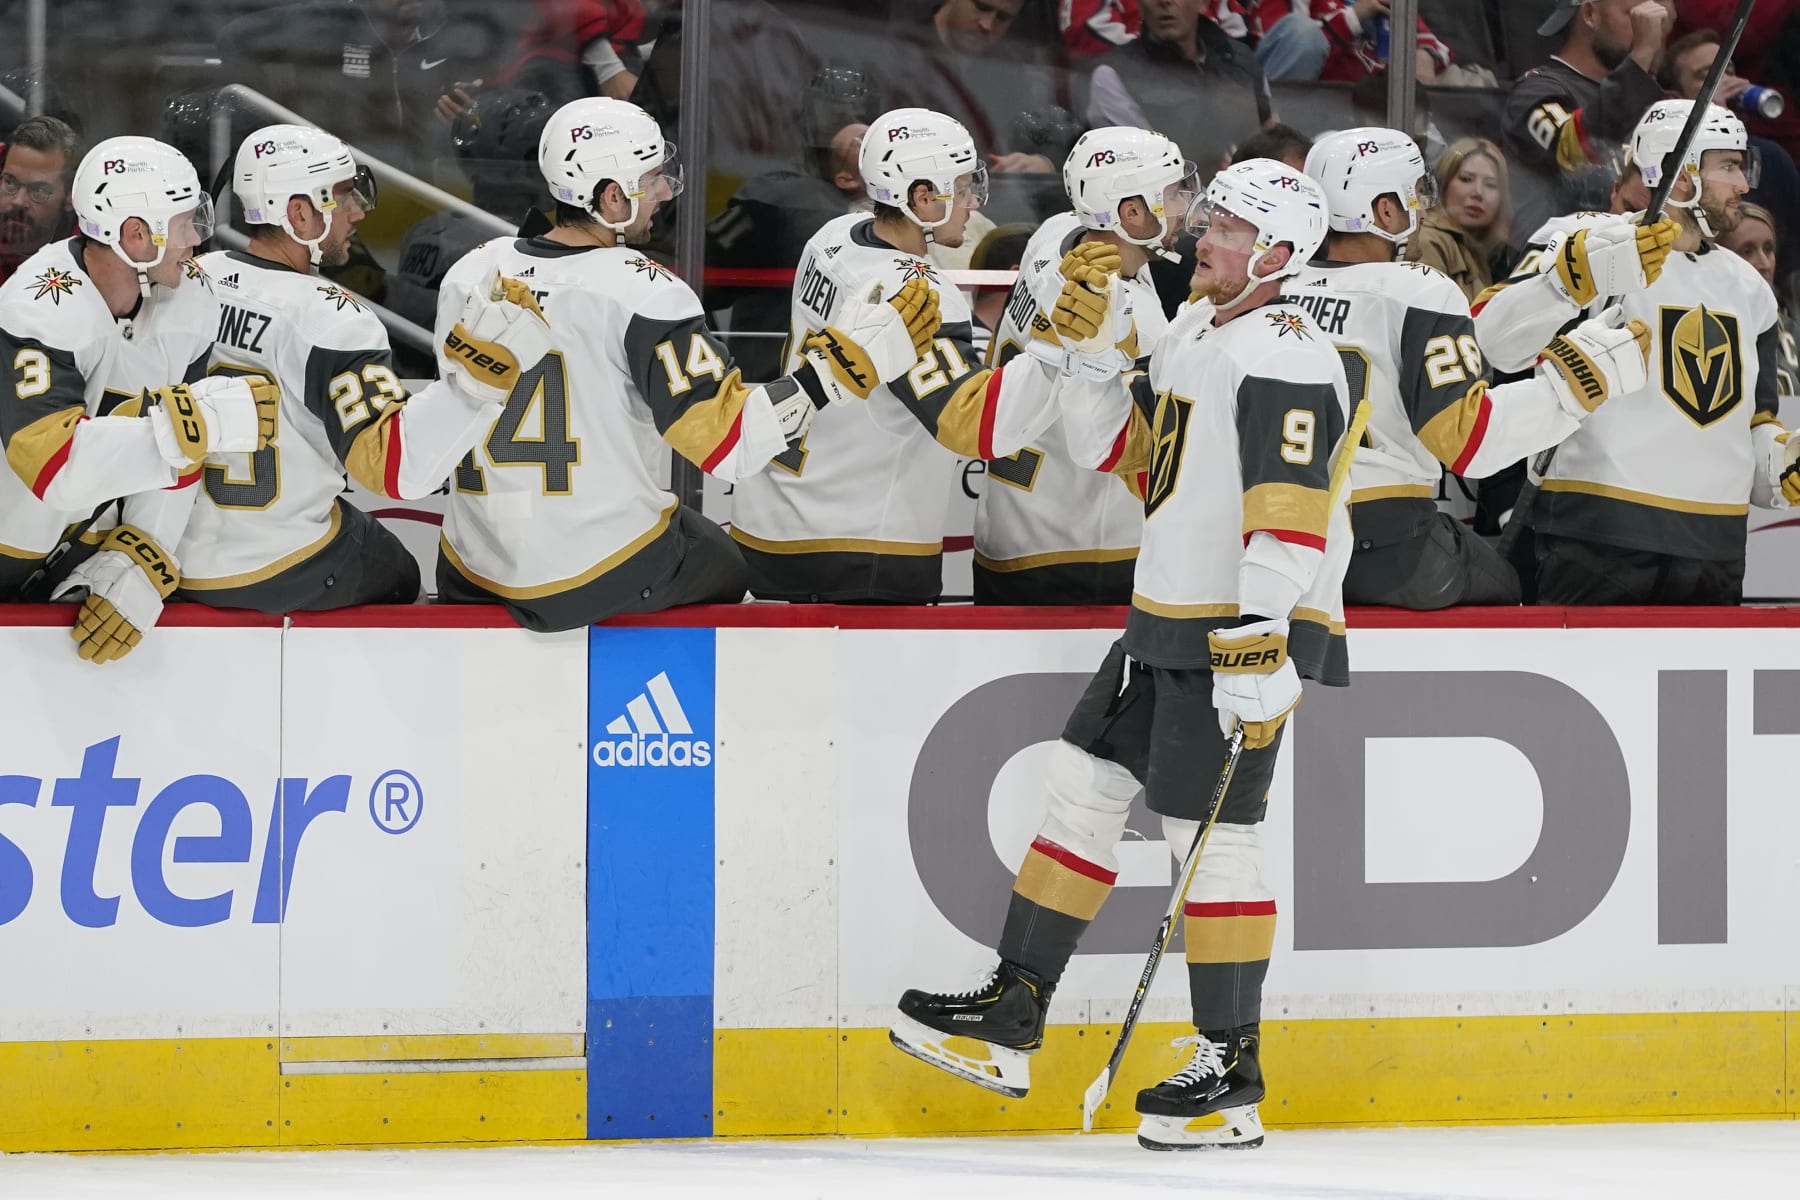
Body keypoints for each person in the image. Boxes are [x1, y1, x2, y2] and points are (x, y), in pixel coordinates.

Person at [894, 159, 1351, 1151]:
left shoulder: (1285, 354)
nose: (1204, 240)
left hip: (1232, 626)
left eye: (1226, 230)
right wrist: (1074, 340)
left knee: (1212, 840)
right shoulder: (1196, 329)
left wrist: (1259, 640)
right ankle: (1016, 1004)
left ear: (1276, 255)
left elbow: (1292, 516)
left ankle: (1231, 1068)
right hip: (1164, 616)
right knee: (1083, 783)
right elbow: (1128, 453)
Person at [433, 98, 942, 630]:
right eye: (652, 177)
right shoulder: (645, 291)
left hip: (472, 567)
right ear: (612, 197)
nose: (663, 192)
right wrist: (832, 373)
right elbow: (731, 446)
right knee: (718, 559)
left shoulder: (472, 270)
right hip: (589, 572)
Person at [177, 124, 552, 613]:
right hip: (273, 564)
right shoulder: (334, 317)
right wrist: (478, 377)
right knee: (402, 575)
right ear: (298, 214)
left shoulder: (187, 281)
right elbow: (399, 471)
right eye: (342, 197)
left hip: (176, 553)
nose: (357, 212)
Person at [727, 107, 1091, 603]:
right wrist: (1057, 343)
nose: (971, 202)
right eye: (961, 189)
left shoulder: (831, 238)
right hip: (860, 544)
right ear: (923, 198)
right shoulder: (920, 293)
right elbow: (975, 427)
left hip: (771, 517)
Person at [1299, 127, 1659, 610]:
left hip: (1277, 536)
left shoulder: (1272, 288)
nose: (1422, 210)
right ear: (1384, 211)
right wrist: (1572, 385)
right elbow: (1469, 442)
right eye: (1413, 197)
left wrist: (1558, 287)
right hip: (1382, 542)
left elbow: (1475, 339)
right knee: (1508, 587)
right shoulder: (1418, 289)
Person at [1475, 101, 1800, 605]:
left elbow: (1750, 423)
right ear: (1684, 175)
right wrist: (1569, 279)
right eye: (1731, 166)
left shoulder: (1749, 288)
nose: (1743, 185)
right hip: (1600, 538)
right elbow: (1491, 340)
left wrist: (1780, 463)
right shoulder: (1582, 239)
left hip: (1717, 548)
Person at [0, 137, 276, 661]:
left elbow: (181, 449)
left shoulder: (190, 296)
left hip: (74, 554)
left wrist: (146, 552)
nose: (195, 240)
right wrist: (201, 424)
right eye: (183, 224)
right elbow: (54, 466)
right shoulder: (36, 307)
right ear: (135, 236)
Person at [974, 127, 1196, 605]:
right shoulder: (1133, 313)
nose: (1183, 206)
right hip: (1086, 550)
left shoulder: (1054, 233)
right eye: (1173, 194)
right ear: (1131, 212)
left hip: (1009, 524)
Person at [1503, 0, 1671, 247]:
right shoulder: (1535, 91)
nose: (1651, 30)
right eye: (1635, 15)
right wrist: (1641, 54)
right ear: (1590, 13)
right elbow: (1574, 149)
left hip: (1636, 262)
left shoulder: (1646, 98)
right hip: (1555, 267)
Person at [1086, 0, 1273, 184]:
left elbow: (1274, 145)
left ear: (1203, 3)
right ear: (1140, 5)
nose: (1165, 2)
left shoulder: (1243, 60)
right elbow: (1143, 175)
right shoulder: (1114, 74)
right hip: (1174, 205)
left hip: (1252, 199)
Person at [1406, 137, 1511, 303]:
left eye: (1490, 184)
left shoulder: (1480, 251)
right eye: (1466, 179)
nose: (1478, 193)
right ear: (1444, 185)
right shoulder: (1428, 241)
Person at [1719, 202, 1800, 410]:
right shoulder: (1708, 330)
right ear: (1719, 257)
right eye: (1747, 251)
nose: (1763, 263)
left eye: (1768, 249)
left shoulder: (1789, 330)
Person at [0, 116, 79, 285]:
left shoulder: (88, 258)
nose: (18, 202)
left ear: (70, 198)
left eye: (39, 190)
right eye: (10, 182)